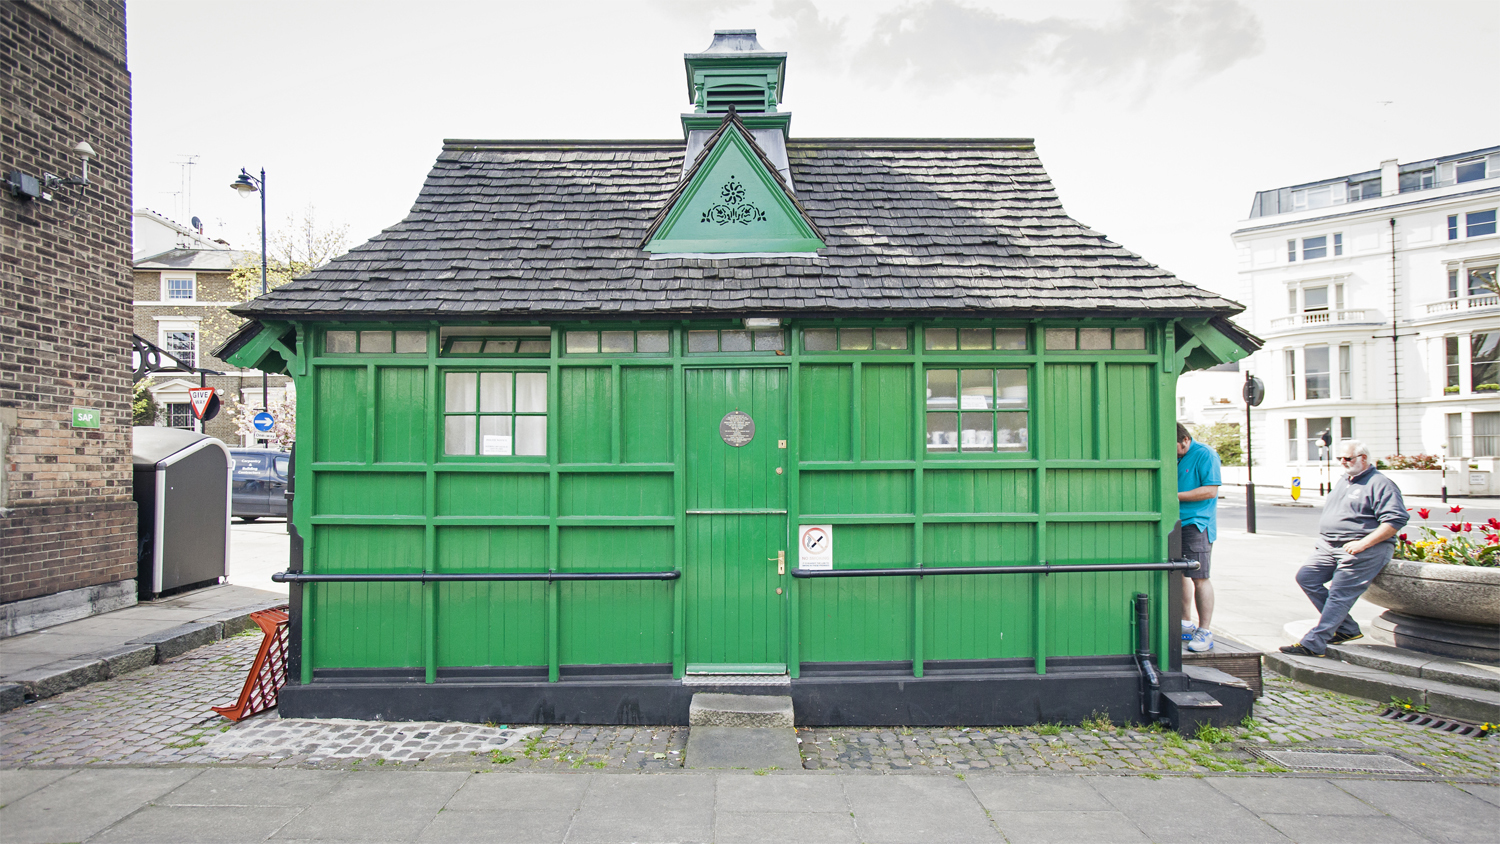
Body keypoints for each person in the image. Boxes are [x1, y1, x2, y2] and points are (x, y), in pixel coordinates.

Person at [1281, 439, 1408, 657]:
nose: (1343, 462)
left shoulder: (1380, 483)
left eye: (1348, 458)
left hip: (1362, 548)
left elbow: (1395, 521)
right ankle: (1346, 628)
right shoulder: (1344, 480)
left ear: (1363, 458)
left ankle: (1314, 644)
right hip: (1329, 546)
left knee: (1339, 594)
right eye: (1340, 458)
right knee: (1307, 578)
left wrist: (1363, 543)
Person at [1176, 423, 1221, 653]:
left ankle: (1205, 631)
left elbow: (1210, 490)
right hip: (1175, 521)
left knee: (1200, 577)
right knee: (1179, 573)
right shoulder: (1178, 456)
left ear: (1185, 439)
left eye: (1175, 447)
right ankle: (1186, 622)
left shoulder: (1205, 454)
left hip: (1197, 523)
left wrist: (1174, 496)